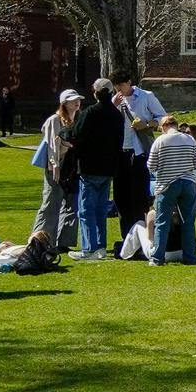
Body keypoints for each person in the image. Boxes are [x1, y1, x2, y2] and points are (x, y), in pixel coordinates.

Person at [68, 79, 126, 260]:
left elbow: (76, 135)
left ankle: (89, 249)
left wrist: (65, 134)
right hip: (108, 168)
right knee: (101, 209)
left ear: (95, 92)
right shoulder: (116, 115)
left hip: (89, 167)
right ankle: (100, 246)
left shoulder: (90, 113)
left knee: (86, 210)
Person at [146, 114, 196, 265]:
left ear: (164, 127)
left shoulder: (160, 141)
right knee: (188, 221)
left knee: (162, 222)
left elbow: (151, 165)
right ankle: (190, 256)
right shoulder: (189, 139)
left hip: (167, 184)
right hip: (188, 184)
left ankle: (157, 258)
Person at [110, 72, 165, 235]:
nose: (120, 90)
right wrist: (113, 106)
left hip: (139, 151)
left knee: (139, 195)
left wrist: (146, 123)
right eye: (116, 87)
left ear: (129, 82)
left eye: (122, 85)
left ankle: (142, 232)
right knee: (121, 197)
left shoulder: (146, 96)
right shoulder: (114, 101)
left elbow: (163, 118)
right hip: (120, 152)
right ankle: (126, 234)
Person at [35, 90, 82, 252]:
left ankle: (64, 242)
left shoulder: (78, 119)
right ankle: (41, 240)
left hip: (73, 168)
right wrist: (54, 165)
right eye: (72, 100)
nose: (76, 103)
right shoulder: (54, 120)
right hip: (56, 168)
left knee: (72, 204)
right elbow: (52, 145)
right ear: (64, 103)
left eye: (78, 100)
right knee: (50, 204)